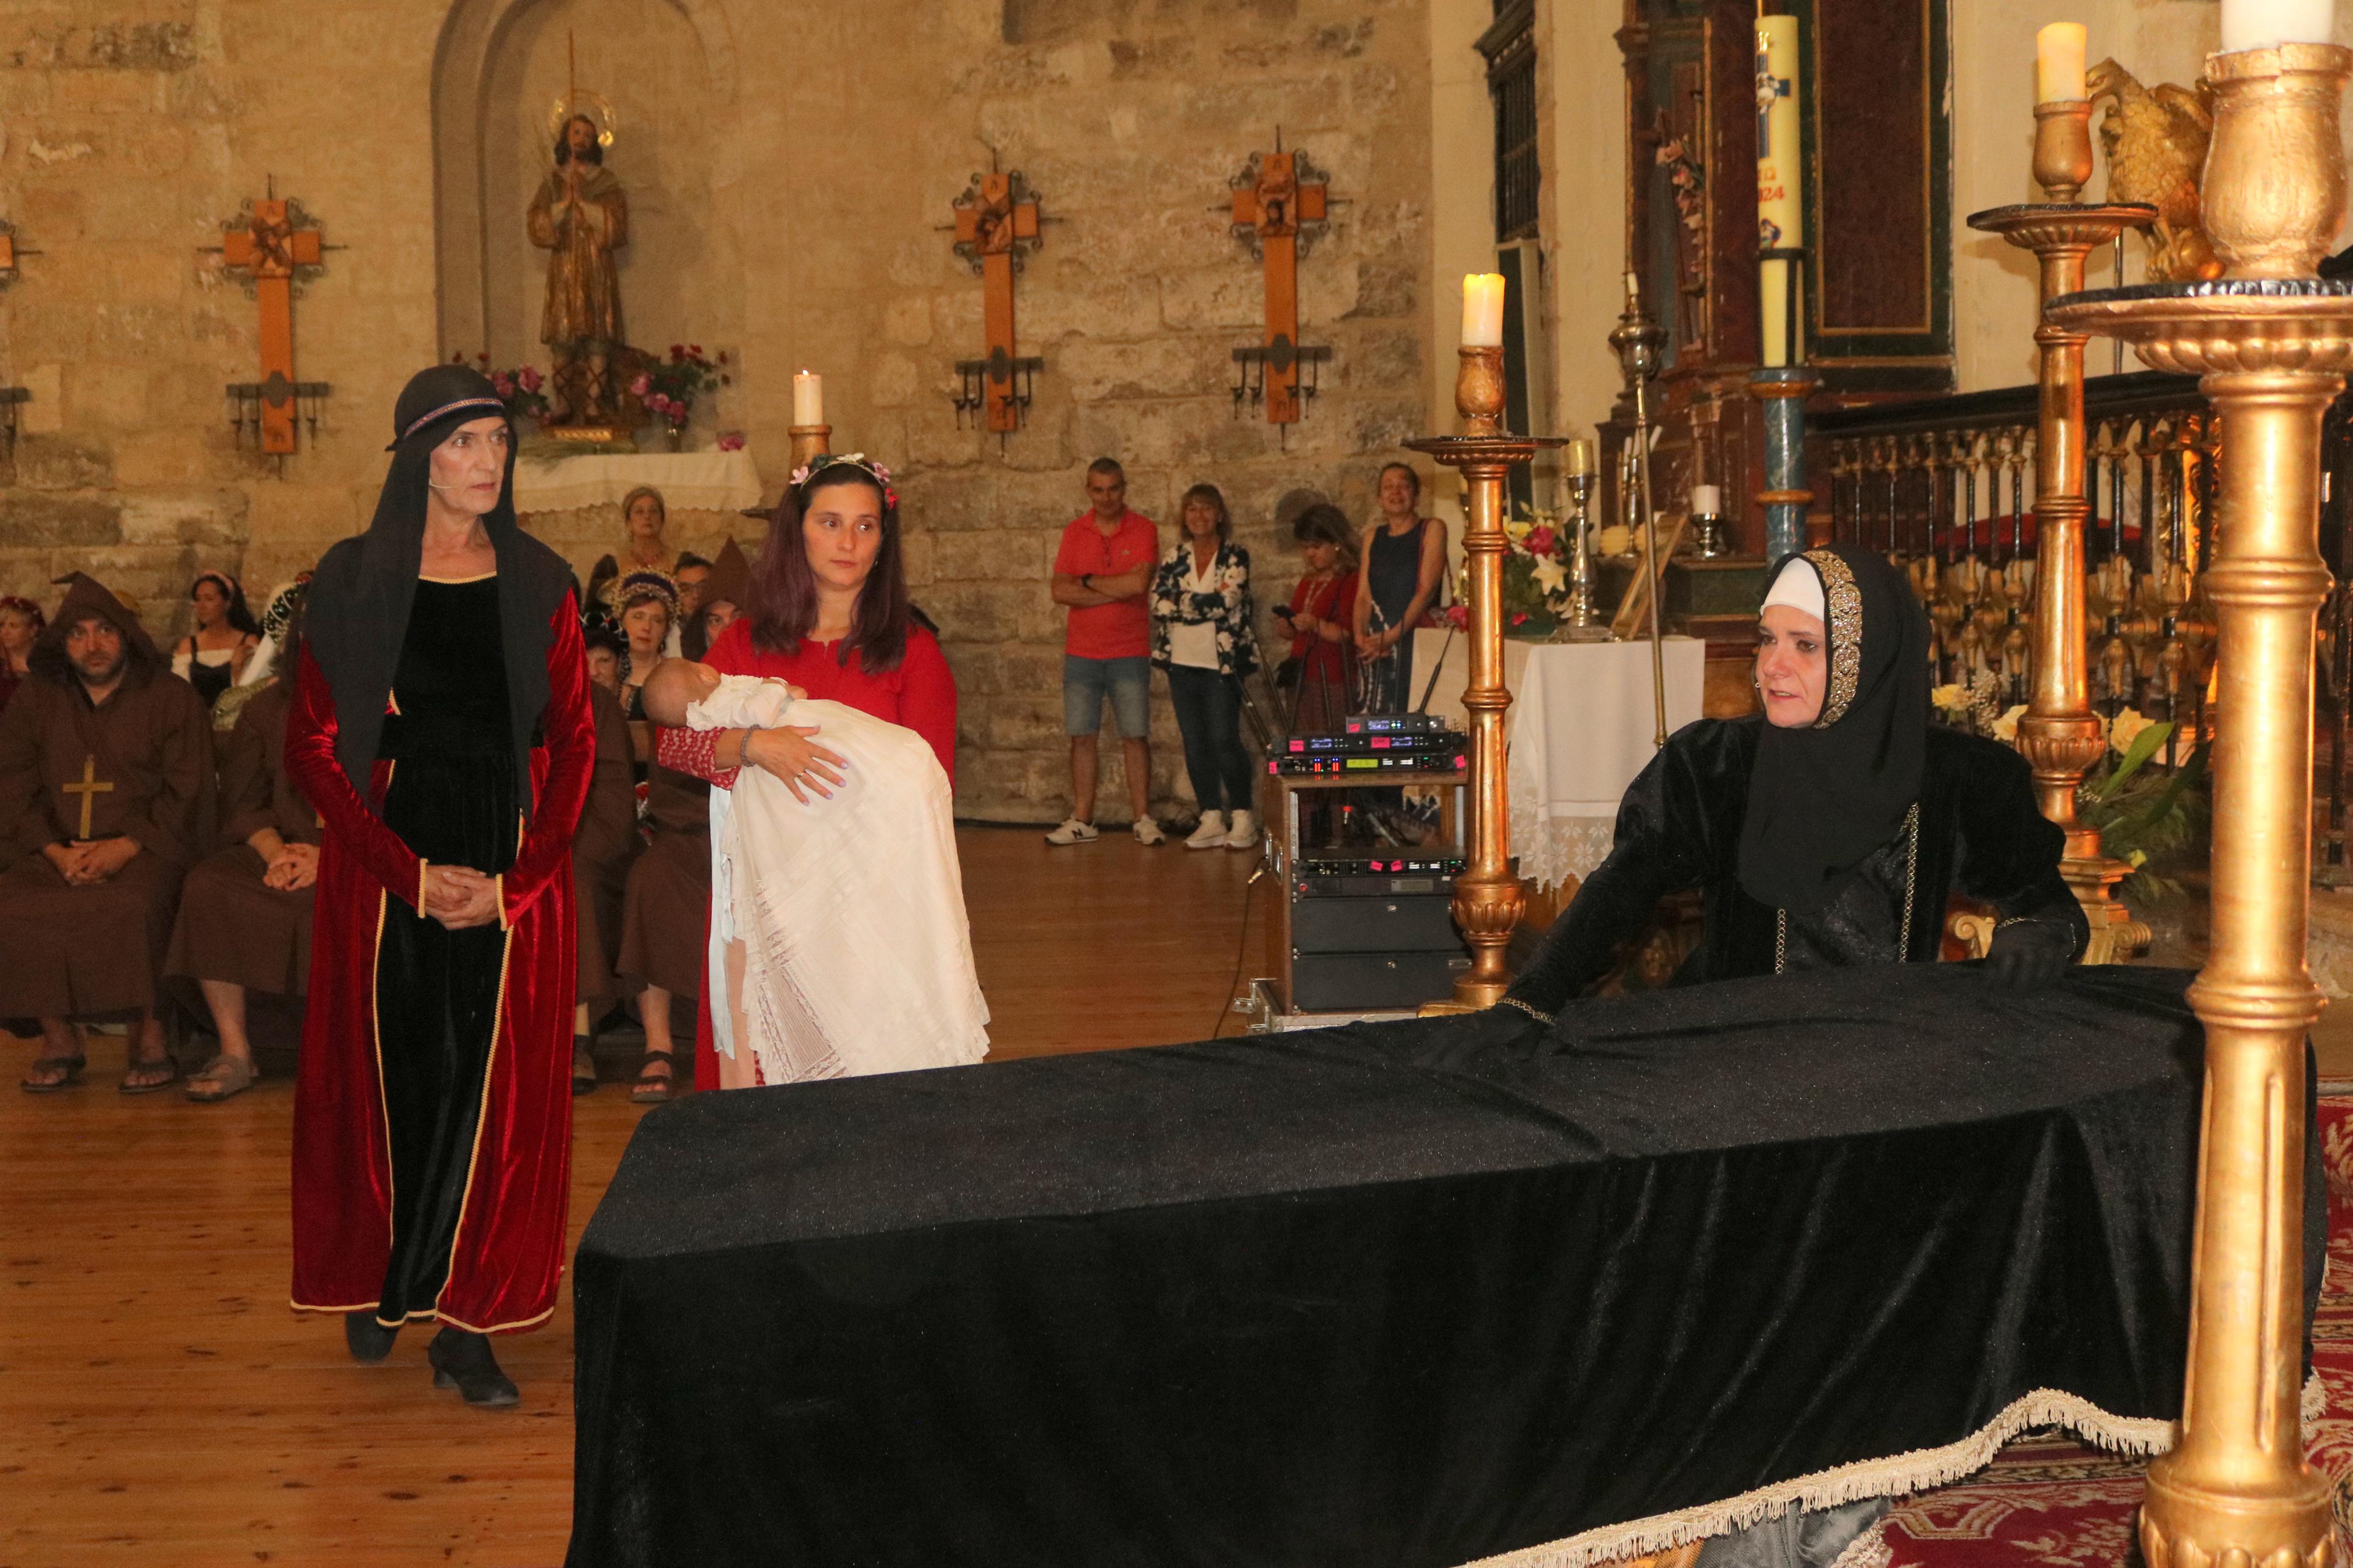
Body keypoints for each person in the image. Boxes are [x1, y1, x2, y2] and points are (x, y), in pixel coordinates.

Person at [1504, 546, 2087, 1568]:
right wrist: (1523, 1007)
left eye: (1803, 646)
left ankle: (1821, 1529)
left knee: (1866, 1298)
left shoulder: (1957, 780)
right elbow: (1618, 896)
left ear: (1867, 660)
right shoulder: (1714, 768)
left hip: (1882, 1086)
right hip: (1735, 1077)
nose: (1771, 665)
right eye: (1766, 641)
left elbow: (2042, 896)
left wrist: (2043, 928)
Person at [285, 364, 594, 1407]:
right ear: (419, 456)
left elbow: (578, 742)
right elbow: (314, 746)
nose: (486, 464)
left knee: (488, 1091)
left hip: (505, 852)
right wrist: (406, 873)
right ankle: (394, 1278)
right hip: (388, 862)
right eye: (464, 444)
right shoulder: (353, 577)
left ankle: (467, 1323)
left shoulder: (543, 581)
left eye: (498, 444)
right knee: (398, 1079)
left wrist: (517, 882)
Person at [644, 451, 976, 1090]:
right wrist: (753, 746)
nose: (847, 541)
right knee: (766, 1088)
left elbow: (932, 795)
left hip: (868, 902)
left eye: (864, 526)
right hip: (765, 897)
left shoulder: (913, 651)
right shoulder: (744, 643)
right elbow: (673, 745)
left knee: (865, 1079)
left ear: (884, 540)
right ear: (797, 533)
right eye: (829, 523)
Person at [0, 574, 212, 1093]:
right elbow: (13, 782)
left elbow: (188, 788)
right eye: (78, 634)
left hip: (147, 845)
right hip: (58, 850)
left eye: (104, 631)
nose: (92, 645)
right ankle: (59, 1038)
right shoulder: (36, 699)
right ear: (61, 641)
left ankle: (151, 1036)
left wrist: (125, 846)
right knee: (15, 902)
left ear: (127, 636)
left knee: (141, 902)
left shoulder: (171, 697)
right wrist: (55, 852)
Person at [166, 588, 319, 1103]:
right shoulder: (266, 709)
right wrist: (275, 851)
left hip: (369, 853)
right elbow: (245, 804)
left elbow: (413, 807)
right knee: (209, 885)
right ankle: (236, 1050)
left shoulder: (397, 703)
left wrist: (333, 857)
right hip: (281, 849)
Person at [1048, 457, 1163, 846]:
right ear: (1088, 491)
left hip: (1129, 649)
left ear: (1123, 488)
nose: (1106, 497)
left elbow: (1139, 584)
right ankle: (1082, 817)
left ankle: (1143, 817)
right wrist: (1114, 588)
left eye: (1113, 488)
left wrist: (1088, 583)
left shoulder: (1144, 529)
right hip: (1081, 652)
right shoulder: (1074, 532)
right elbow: (1059, 590)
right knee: (1082, 735)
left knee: (1135, 734)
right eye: (1098, 489)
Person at [1149, 483, 1260, 851]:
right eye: (1192, 509)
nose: (1199, 516)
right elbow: (1157, 604)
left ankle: (1243, 814)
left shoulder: (1235, 556)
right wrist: (1197, 603)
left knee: (1224, 739)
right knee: (1194, 742)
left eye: (1206, 508)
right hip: (1181, 662)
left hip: (1222, 664)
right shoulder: (1174, 556)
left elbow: (1226, 602)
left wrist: (1182, 602)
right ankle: (1210, 814)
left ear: (1220, 514)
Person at [530, 112, 627, 424]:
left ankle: (594, 405)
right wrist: (562, 206)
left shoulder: (606, 181)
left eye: (588, 134)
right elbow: (536, 224)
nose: (582, 139)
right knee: (564, 331)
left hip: (596, 263)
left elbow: (618, 225)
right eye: (576, 133)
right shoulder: (552, 181)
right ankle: (562, 403)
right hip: (566, 264)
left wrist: (584, 204)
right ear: (565, 138)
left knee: (598, 331)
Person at [570, 673, 640, 1096]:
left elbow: (614, 800)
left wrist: (562, 849)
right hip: (510, 839)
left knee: (573, 883)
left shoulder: (594, 700)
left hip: (587, 846)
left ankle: (578, 1039)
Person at [1352, 463, 1447, 714]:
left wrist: (1393, 637)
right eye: (1388, 487)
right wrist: (1360, 638)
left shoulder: (1433, 529)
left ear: (1416, 497)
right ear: (1380, 499)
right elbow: (1363, 595)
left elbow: (1426, 590)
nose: (1396, 493)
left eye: (1404, 486)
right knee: (1376, 727)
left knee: (1413, 722)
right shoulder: (1373, 536)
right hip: (1376, 649)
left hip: (1414, 640)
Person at [1277, 503, 1360, 735]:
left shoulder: (1349, 580)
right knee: (1304, 740)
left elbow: (1346, 632)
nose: (1310, 554)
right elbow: (1295, 629)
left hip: (1333, 676)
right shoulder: (1309, 580)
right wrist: (1287, 626)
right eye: (1305, 548)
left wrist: (1315, 624)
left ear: (1337, 545)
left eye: (1316, 546)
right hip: (1303, 673)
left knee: (1331, 740)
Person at [171, 570, 260, 710]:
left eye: (209, 599)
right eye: (198, 599)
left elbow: (255, 696)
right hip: (199, 723)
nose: (201, 606)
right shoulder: (188, 646)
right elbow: (180, 698)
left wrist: (237, 668)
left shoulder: (248, 642)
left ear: (228, 603)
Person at [608, 569, 676, 720]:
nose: (647, 627)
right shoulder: (603, 671)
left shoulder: (675, 679)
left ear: (666, 630)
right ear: (621, 622)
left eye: (657, 620)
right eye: (638, 617)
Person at [0, 594, 42, 712]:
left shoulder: (46, 667)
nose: (5, 632)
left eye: (13, 626)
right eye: (2, 625)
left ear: (33, 630)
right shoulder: (2, 665)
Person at [669, 551, 712, 659]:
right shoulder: (669, 635)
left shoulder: (728, 625)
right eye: (686, 589)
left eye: (702, 587)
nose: (695, 595)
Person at [584, 627, 624, 694]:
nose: (593, 673)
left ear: (619, 663)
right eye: (584, 663)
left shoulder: (642, 700)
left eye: (603, 661)